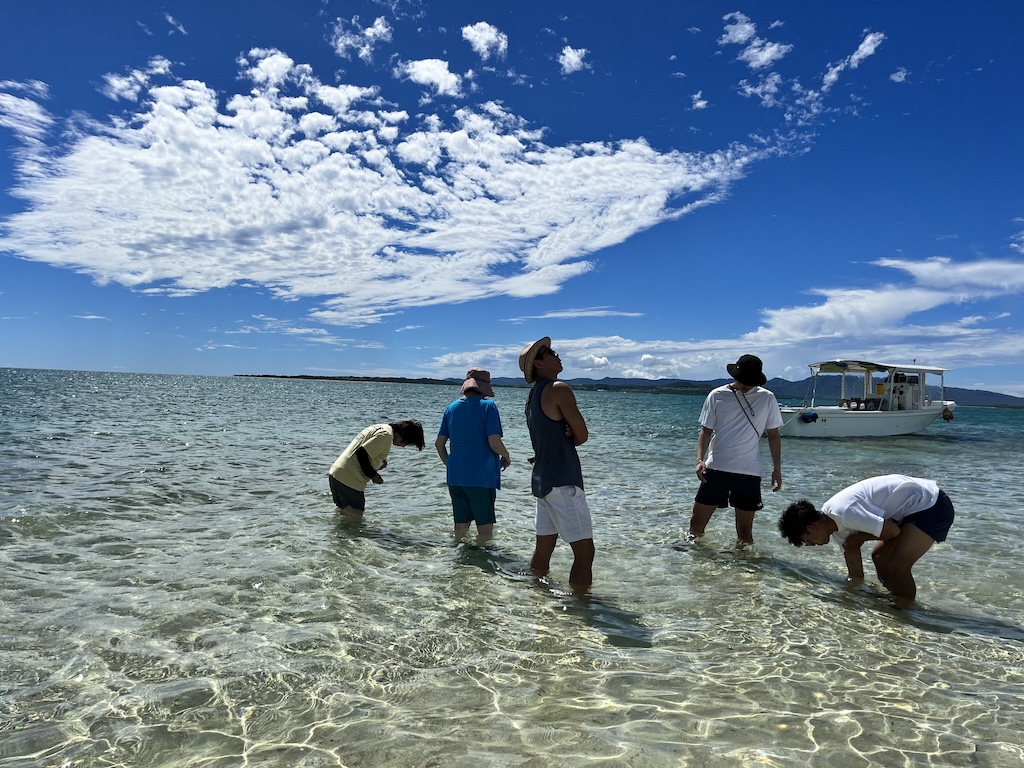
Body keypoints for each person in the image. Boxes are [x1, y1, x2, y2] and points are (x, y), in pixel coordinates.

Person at [778, 474, 955, 604]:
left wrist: (861, 537)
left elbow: (892, 532)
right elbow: (855, 574)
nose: (813, 545)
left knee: (897, 564)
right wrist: (848, 596)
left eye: (807, 542)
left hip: (931, 504)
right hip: (907, 510)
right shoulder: (835, 526)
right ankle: (895, 599)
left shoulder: (845, 512)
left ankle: (906, 612)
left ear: (811, 528)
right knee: (879, 558)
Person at [519, 337, 595, 590]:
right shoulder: (558, 389)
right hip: (563, 479)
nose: (557, 355)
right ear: (539, 363)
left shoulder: (533, 395)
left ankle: (538, 593)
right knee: (584, 551)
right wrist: (572, 433)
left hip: (542, 480)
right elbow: (582, 436)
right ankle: (583, 606)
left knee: (544, 546)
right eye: (550, 353)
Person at [689, 354, 783, 544]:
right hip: (716, 468)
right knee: (696, 525)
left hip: (749, 472)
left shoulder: (767, 398)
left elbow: (773, 435)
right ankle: (693, 565)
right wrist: (699, 460)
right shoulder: (717, 395)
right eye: (744, 381)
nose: (746, 385)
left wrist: (777, 469)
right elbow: (706, 431)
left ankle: (744, 570)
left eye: (751, 382)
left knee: (745, 532)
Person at [435, 369, 512, 542]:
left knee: (460, 526)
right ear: (484, 387)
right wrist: (506, 456)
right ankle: (483, 561)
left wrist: (450, 463)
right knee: (484, 528)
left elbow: (439, 444)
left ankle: (458, 560)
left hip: (455, 475)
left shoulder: (451, 408)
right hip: (480, 475)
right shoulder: (488, 406)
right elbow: (494, 442)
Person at [328, 420, 425, 516]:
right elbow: (361, 453)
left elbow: (363, 452)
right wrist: (373, 475)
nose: (403, 446)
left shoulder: (381, 428)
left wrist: (377, 464)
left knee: (344, 514)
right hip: (350, 479)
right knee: (355, 516)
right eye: (406, 443)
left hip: (337, 474)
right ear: (403, 435)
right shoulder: (386, 436)